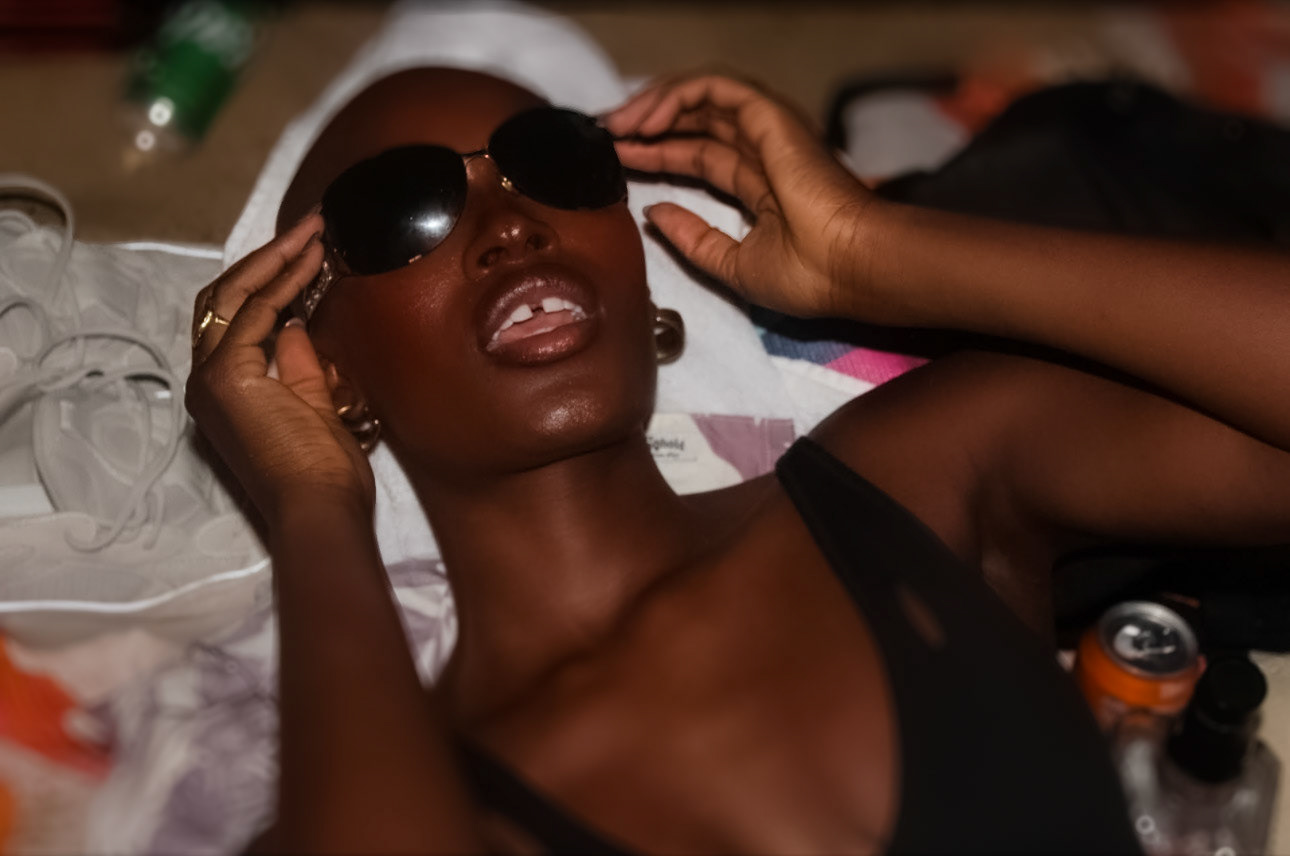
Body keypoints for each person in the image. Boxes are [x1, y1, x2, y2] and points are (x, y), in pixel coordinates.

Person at [185, 67, 1290, 854]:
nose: (512, 224)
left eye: (557, 164)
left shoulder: (926, 474)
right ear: (324, 371)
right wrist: (312, 506)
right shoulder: (389, 789)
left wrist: (876, 250)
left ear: (640, 272)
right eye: (400, 210)